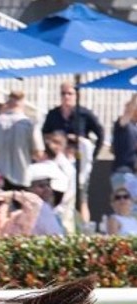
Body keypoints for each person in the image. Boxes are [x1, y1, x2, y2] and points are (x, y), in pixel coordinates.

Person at [42, 81, 103, 220]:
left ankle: (84, 226)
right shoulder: (53, 114)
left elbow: (100, 133)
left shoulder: (84, 114)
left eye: (70, 93)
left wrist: (92, 155)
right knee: (59, 194)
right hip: (59, 161)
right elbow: (44, 134)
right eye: (63, 93)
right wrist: (58, 140)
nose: (66, 97)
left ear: (76, 95)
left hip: (79, 160)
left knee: (81, 196)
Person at [0, 90, 44, 190]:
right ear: (23, 102)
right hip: (21, 175)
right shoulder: (30, 124)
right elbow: (39, 153)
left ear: (9, 102)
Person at [26, 161, 67, 236]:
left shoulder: (48, 208)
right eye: (41, 186)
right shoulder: (39, 208)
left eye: (48, 185)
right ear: (29, 189)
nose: (47, 189)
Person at [110, 93, 137, 191]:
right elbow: (128, 112)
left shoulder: (134, 127)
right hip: (122, 173)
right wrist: (134, 94)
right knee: (123, 202)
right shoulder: (122, 125)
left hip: (132, 173)